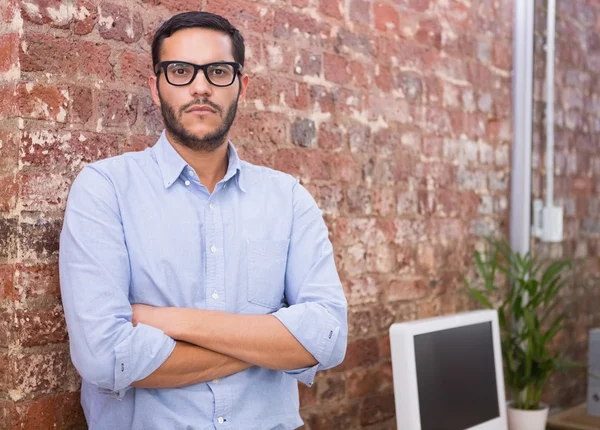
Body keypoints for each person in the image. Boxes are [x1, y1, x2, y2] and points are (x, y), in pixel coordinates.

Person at [59, 11, 348, 430]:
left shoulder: (286, 198)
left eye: (218, 71)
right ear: (156, 88)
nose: (200, 86)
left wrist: (170, 320)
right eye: (179, 71)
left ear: (240, 86)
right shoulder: (105, 190)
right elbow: (106, 357)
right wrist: (268, 344)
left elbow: (329, 336)